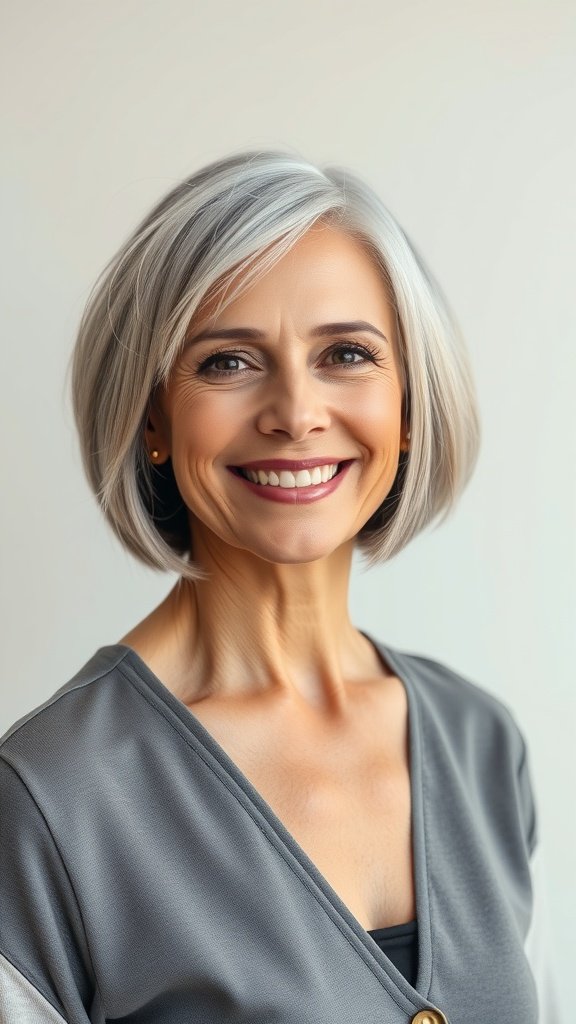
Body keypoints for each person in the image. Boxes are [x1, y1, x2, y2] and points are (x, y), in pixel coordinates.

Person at [0, 151, 561, 1024]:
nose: (295, 413)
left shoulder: (483, 744)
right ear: (152, 416)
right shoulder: (50, 795)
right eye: (228, 362)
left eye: (345, 353)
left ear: (408, 408)